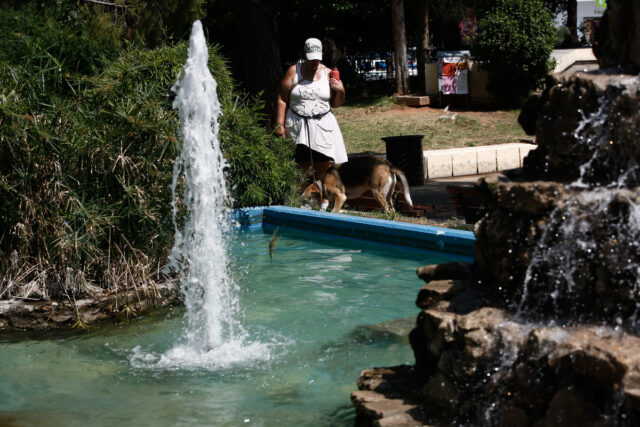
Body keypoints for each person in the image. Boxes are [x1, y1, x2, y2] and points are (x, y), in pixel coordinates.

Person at [275, 37, 347, 183]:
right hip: (297, 125)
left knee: (323, 164)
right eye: (311, 58)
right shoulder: (293, 71)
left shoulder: (328, 73)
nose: (315, 62)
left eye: (317, 59)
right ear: (305, 55)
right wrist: (279, 124)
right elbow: (282, 99)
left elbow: (336, 104)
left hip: (322, 126)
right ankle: (300, 198)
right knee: (300, 165)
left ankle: (320, 196)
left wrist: (341, 91)